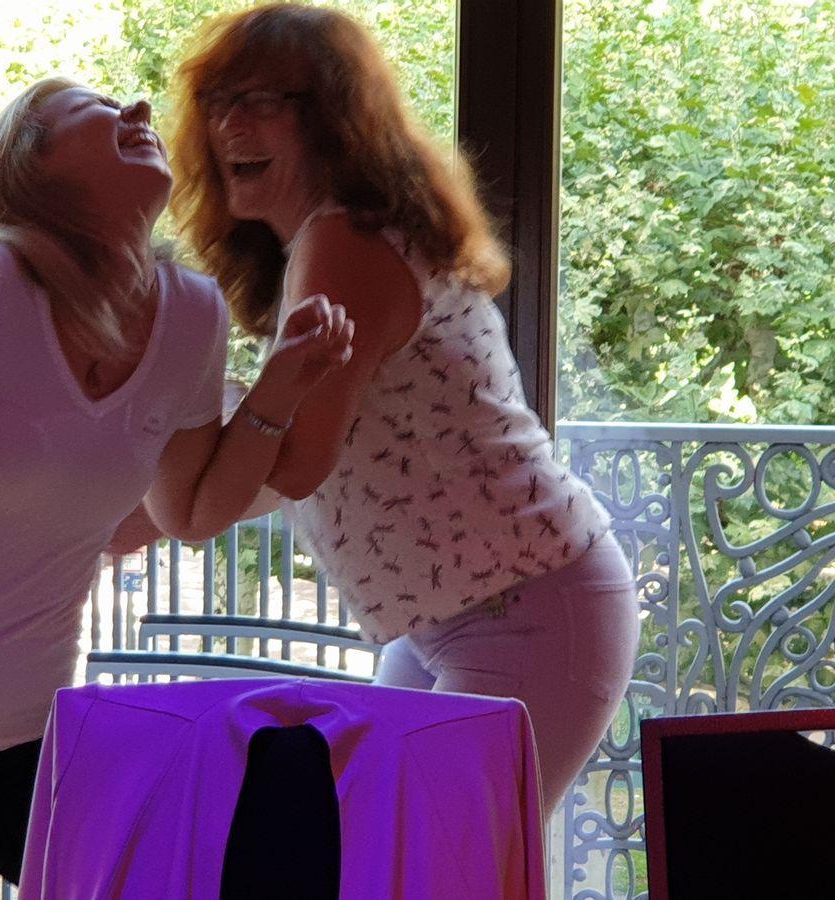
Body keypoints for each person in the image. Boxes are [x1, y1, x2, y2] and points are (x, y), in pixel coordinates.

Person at [0, 75, 352, 898]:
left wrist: (282, 387)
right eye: (99, 109)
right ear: (33, 163)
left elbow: (191, 511)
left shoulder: (193, 313)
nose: (138, 111)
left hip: (29, 733)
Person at [169, 2, 639, 820]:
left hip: (526, 609)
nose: (230, 124)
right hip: (450, 618)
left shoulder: (342, 243)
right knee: (391, 857)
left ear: (333, 121)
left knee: (443, 863)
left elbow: (293, 463)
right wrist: (152, 507)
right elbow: (289, 466)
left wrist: (179, 477)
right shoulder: (320, 245)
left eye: (263, 100)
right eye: (218, 101)